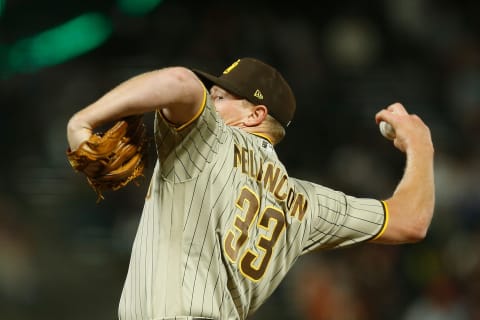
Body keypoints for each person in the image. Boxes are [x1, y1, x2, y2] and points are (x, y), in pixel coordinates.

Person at [66, 57, 435, 320]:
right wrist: (421, 145)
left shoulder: (211, 139)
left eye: (220, 98)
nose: (209, 103)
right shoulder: (307, 203)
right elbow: (410, 221)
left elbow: (178, 80)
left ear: (255, 115)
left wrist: (84, 120)